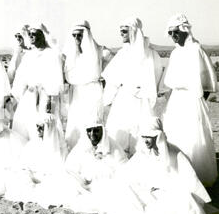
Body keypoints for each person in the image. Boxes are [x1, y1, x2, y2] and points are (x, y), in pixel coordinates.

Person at [119, 116, 211, 214]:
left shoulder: (175, 153)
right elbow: (130, 172)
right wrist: (146, 186)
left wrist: (163, 188)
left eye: (150, 136)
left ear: (158, 136)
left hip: (169, 192)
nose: (146, 140)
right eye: (144, 136)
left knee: (187, 209)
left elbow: (187, 181)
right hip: (148, 190)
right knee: (125, 191)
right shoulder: (143, 152)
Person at [162, 14, 217, 187]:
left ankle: (197, 175)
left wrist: (198, 102)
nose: (173, 36)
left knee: (193, 136)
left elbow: (208, 82)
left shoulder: (196, 50)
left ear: (184, 30)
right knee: (175, 134)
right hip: (177, 100)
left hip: (192, 100)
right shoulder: (175, 53)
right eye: (170, 33)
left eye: (175, 32)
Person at [102, 17, 162, 157]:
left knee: (140, 134)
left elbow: (155, 76)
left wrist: (141, 90)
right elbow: (112, 78)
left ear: (133, 31)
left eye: (124, 31)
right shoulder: (123, 53)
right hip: (123, 99)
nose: (121, 34)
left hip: (141, 100)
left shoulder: (150, 54)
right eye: (120, 31)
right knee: (120, 133)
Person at [62, 20, 114, 150]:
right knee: (76, 123)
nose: (77, 38)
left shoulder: (101, 51)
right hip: (77, 94)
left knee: (93, 123)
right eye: (74, 35)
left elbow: (114, 67)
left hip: (93, 92)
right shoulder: (69, 54)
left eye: (80, 35)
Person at [11, 23, 64, 141]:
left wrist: (50, 102)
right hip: (30, 96)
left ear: (41, 35)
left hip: (46, 96)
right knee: (24, 123)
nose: (31, 37)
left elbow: (56, 79)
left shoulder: (52, 54)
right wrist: (19, 92)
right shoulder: (28, 55)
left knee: (45, 125)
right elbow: (21, 77)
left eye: (34, 34)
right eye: (30, 34)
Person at [65, 116, 128, 190]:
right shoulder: (82, 145)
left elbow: (124, 171)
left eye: (96, 131)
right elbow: (70, 168)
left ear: (102, 130)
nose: (92, 135)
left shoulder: (114, 147)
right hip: (84, 185)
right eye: (89, 130)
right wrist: (81, 182)